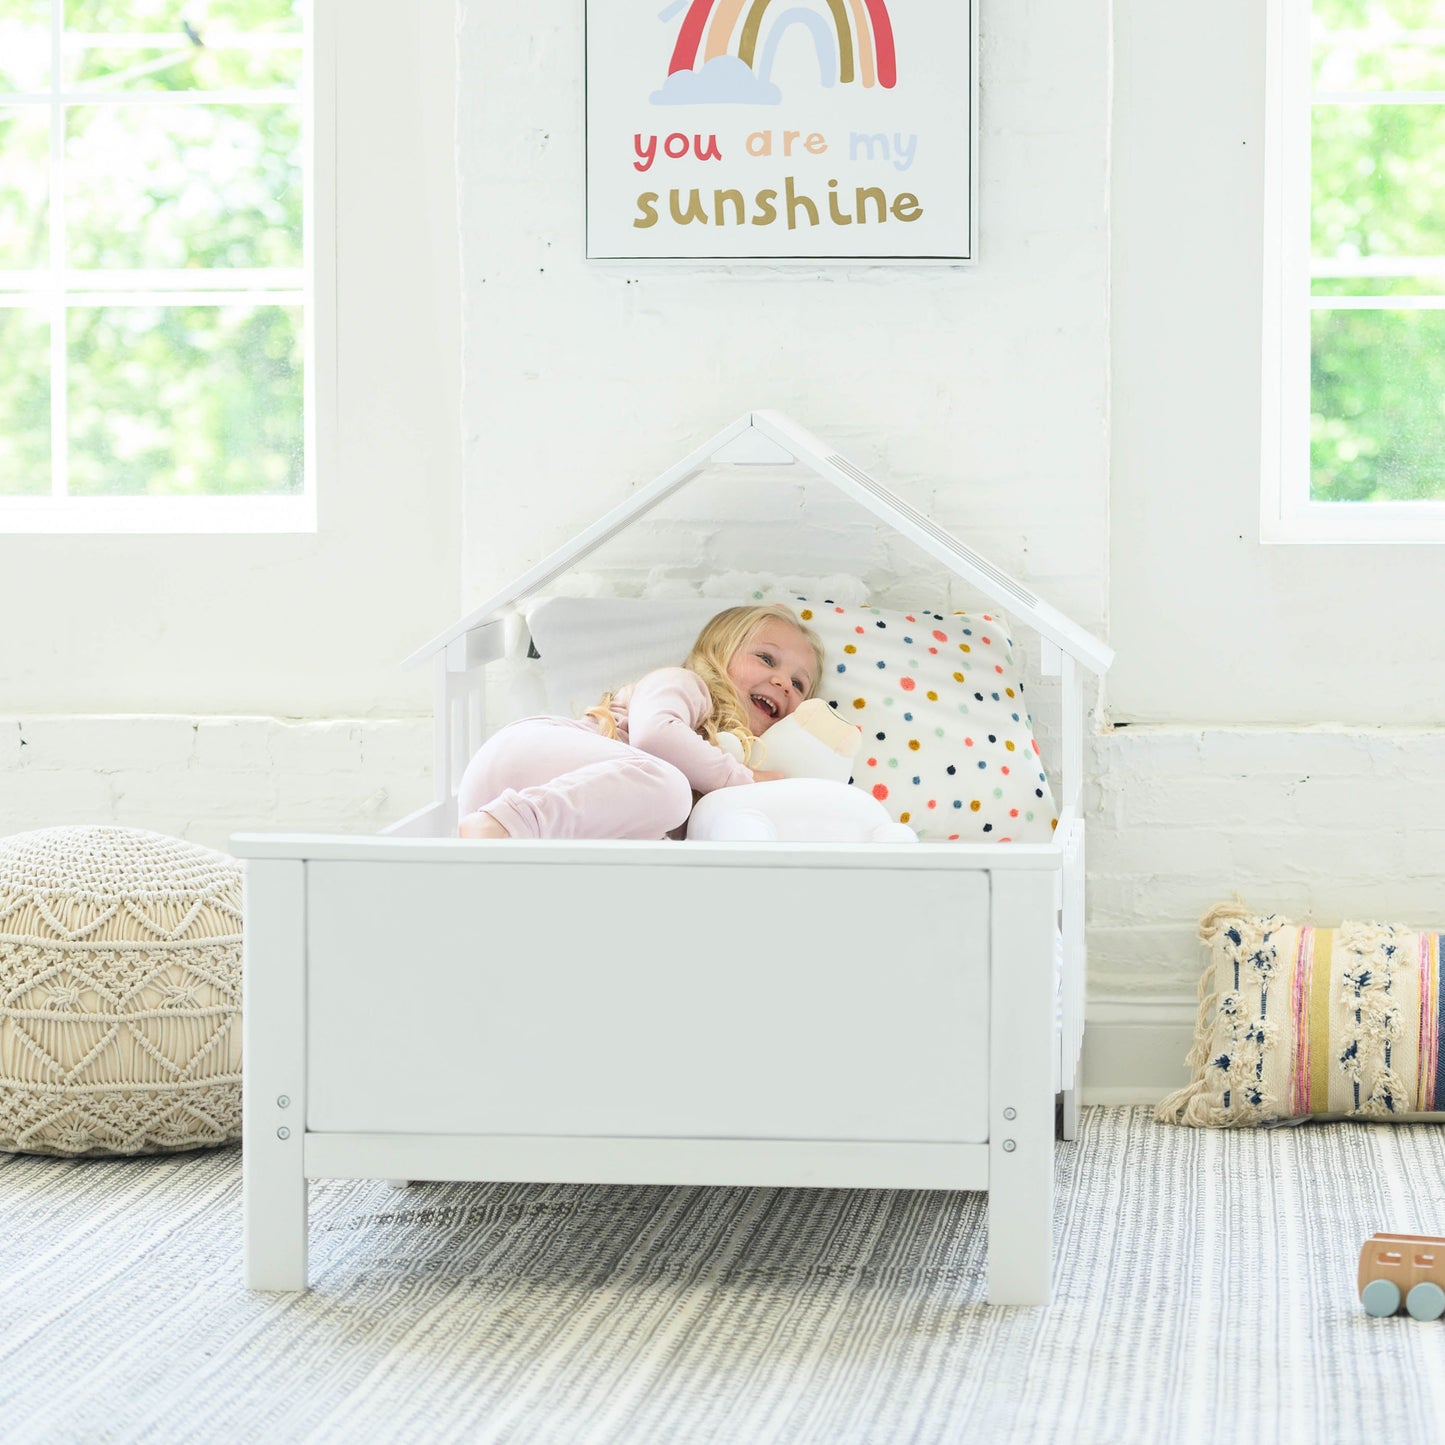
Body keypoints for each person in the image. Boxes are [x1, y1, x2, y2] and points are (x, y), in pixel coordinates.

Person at [456, 603, 824, 840]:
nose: (782, 683)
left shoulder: (722, 758)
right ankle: (502, 825)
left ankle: (509, 827)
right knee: (671, 788)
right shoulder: (687, 686)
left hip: (550, 818)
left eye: (799, 684)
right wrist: (744, 779)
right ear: (718, 654)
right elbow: (655, 736)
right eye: (766, 659)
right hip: (525, 763)